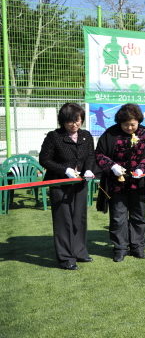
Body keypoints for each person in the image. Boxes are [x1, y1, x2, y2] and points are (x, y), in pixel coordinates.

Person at [95, 103, 145, 262]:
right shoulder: (111, 133)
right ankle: (120, 248)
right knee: (118, 217)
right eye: (126, 125)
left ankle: (137, 246)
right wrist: (112, 166)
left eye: (133, 124)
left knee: (138, 216)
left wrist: (142, 169)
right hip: (117, 183)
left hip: (138, 182)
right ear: (119, 123)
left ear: (138, 121)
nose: (130, 128)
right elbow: (100, 154)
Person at [39, 103, 95, 270]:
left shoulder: (86, 136)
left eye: (78, 120)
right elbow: (45, 160)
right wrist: (66, 170)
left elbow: (91, 156)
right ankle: (65, 257)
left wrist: (89, 170)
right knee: (63, 220)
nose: (74, 124)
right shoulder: (54, 136)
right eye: (70, 121)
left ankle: (80, 251)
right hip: (59, 184)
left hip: (80, 184)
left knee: (79, 217)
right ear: (62, 121)